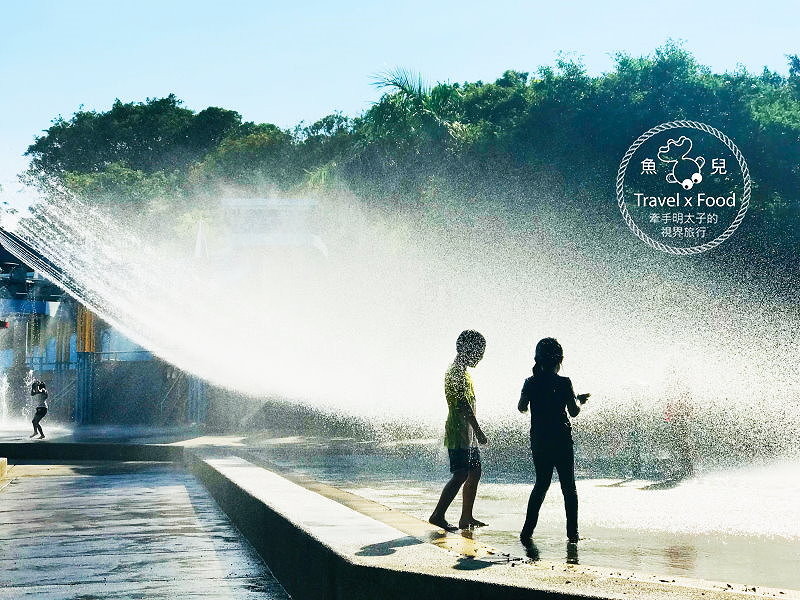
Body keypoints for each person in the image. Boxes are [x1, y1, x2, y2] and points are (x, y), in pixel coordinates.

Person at [518, 338, 589, 543]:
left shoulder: (530, 382)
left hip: (540, 439)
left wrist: (530, 400)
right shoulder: (564, 382)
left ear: (537, 359)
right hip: (561, 439)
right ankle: (573, 534)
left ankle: (527, 532)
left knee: (541, 484)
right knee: (569, 488)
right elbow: (573, 412)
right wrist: (578, 401)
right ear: (560, 359)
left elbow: (521, 407)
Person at [429, 330, 488, 532]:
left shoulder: (464, 373)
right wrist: (478, 431)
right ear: (466, 349)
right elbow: (463, 405)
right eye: (479, 351)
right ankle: (438, 515)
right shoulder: (455, 373)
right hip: (458, 432)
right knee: (461, 474)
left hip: (468, 434)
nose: (481, 356)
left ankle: (466, 517)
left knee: (475, 472)